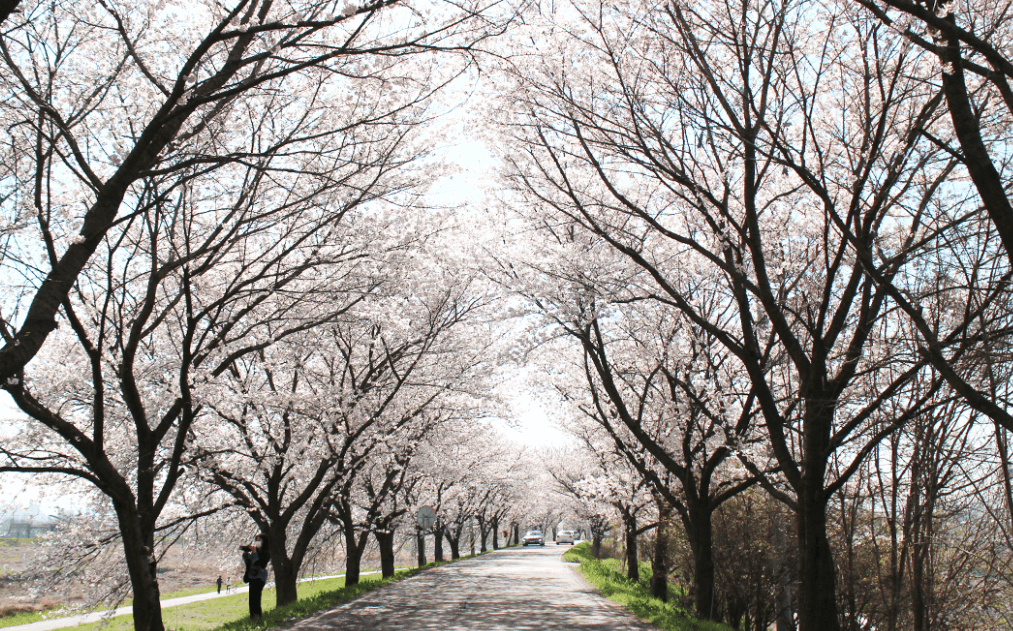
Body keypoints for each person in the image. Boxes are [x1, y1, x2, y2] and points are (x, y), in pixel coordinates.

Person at [241, 534, 270, 622]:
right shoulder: (255, 551)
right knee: (251, 600)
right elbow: (249, 563)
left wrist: (254, 553)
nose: (257, 542)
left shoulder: (266, 553)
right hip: (252, 576)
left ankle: (258, 618)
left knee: (256, 598)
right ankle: (252, 618)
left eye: (259, 540)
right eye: (256, 540)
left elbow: (259, 564)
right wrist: (246, 554)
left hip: (260, 577)